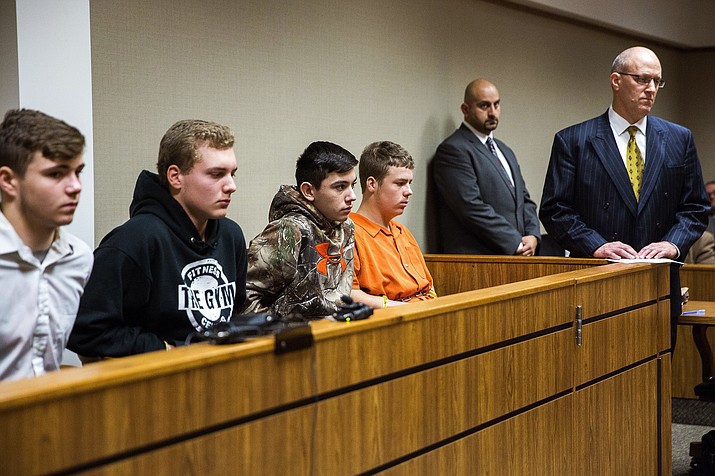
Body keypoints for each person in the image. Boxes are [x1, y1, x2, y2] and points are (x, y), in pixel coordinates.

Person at [539, 46, 709, 348]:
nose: (652, 89)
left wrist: (672, 243)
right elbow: (555, 210)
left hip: (657, 281)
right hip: (599, 279)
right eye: (643, 79)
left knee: (655, 378)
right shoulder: (574, 140)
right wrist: (597, 245)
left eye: (657, 82)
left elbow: (695, 208)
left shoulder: (678, 138)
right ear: (616, 81)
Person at [68, 119, 247, 357]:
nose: (231, 186)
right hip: (157, 383)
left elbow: (235, 312)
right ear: (175, 177)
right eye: (216, 174)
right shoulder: (135, 240)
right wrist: (163, 349)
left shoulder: (231, 235)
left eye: (232, 174)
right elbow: (83, 328)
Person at [0, 109, 93, 381]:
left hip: (45, 414)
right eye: (56, 174)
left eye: (78, 172)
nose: (75, 186)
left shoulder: (79, 258)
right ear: (8, 182)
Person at [242, 141, 357, 320]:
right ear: (308, 191)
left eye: (353, 185)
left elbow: (340, 296)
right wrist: (281, 329)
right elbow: (244, 297)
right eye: (340, 187)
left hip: (334, 330)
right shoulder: (289, 229)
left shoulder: (346, 226)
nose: (352, 196)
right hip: (293, 337)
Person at [432, 79, 541, 255]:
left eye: (496, 105)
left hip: (517, 257)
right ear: (465, 110)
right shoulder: (454, 149)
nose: (492, 112)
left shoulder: (504, 150)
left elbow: (524, 200)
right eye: (484, 106)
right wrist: (515, 243)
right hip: (479, 260)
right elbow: (470, 207)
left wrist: (533, 235)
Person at [350, 141, 436, 309]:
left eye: (409, 183)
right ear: (372, 184)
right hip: (390, 322)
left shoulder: (402, 232)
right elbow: (349, 294)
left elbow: (429, 288)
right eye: (400, 183)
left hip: (425, 315)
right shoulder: (350, 233)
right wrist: (405, 308)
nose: (409, 191)